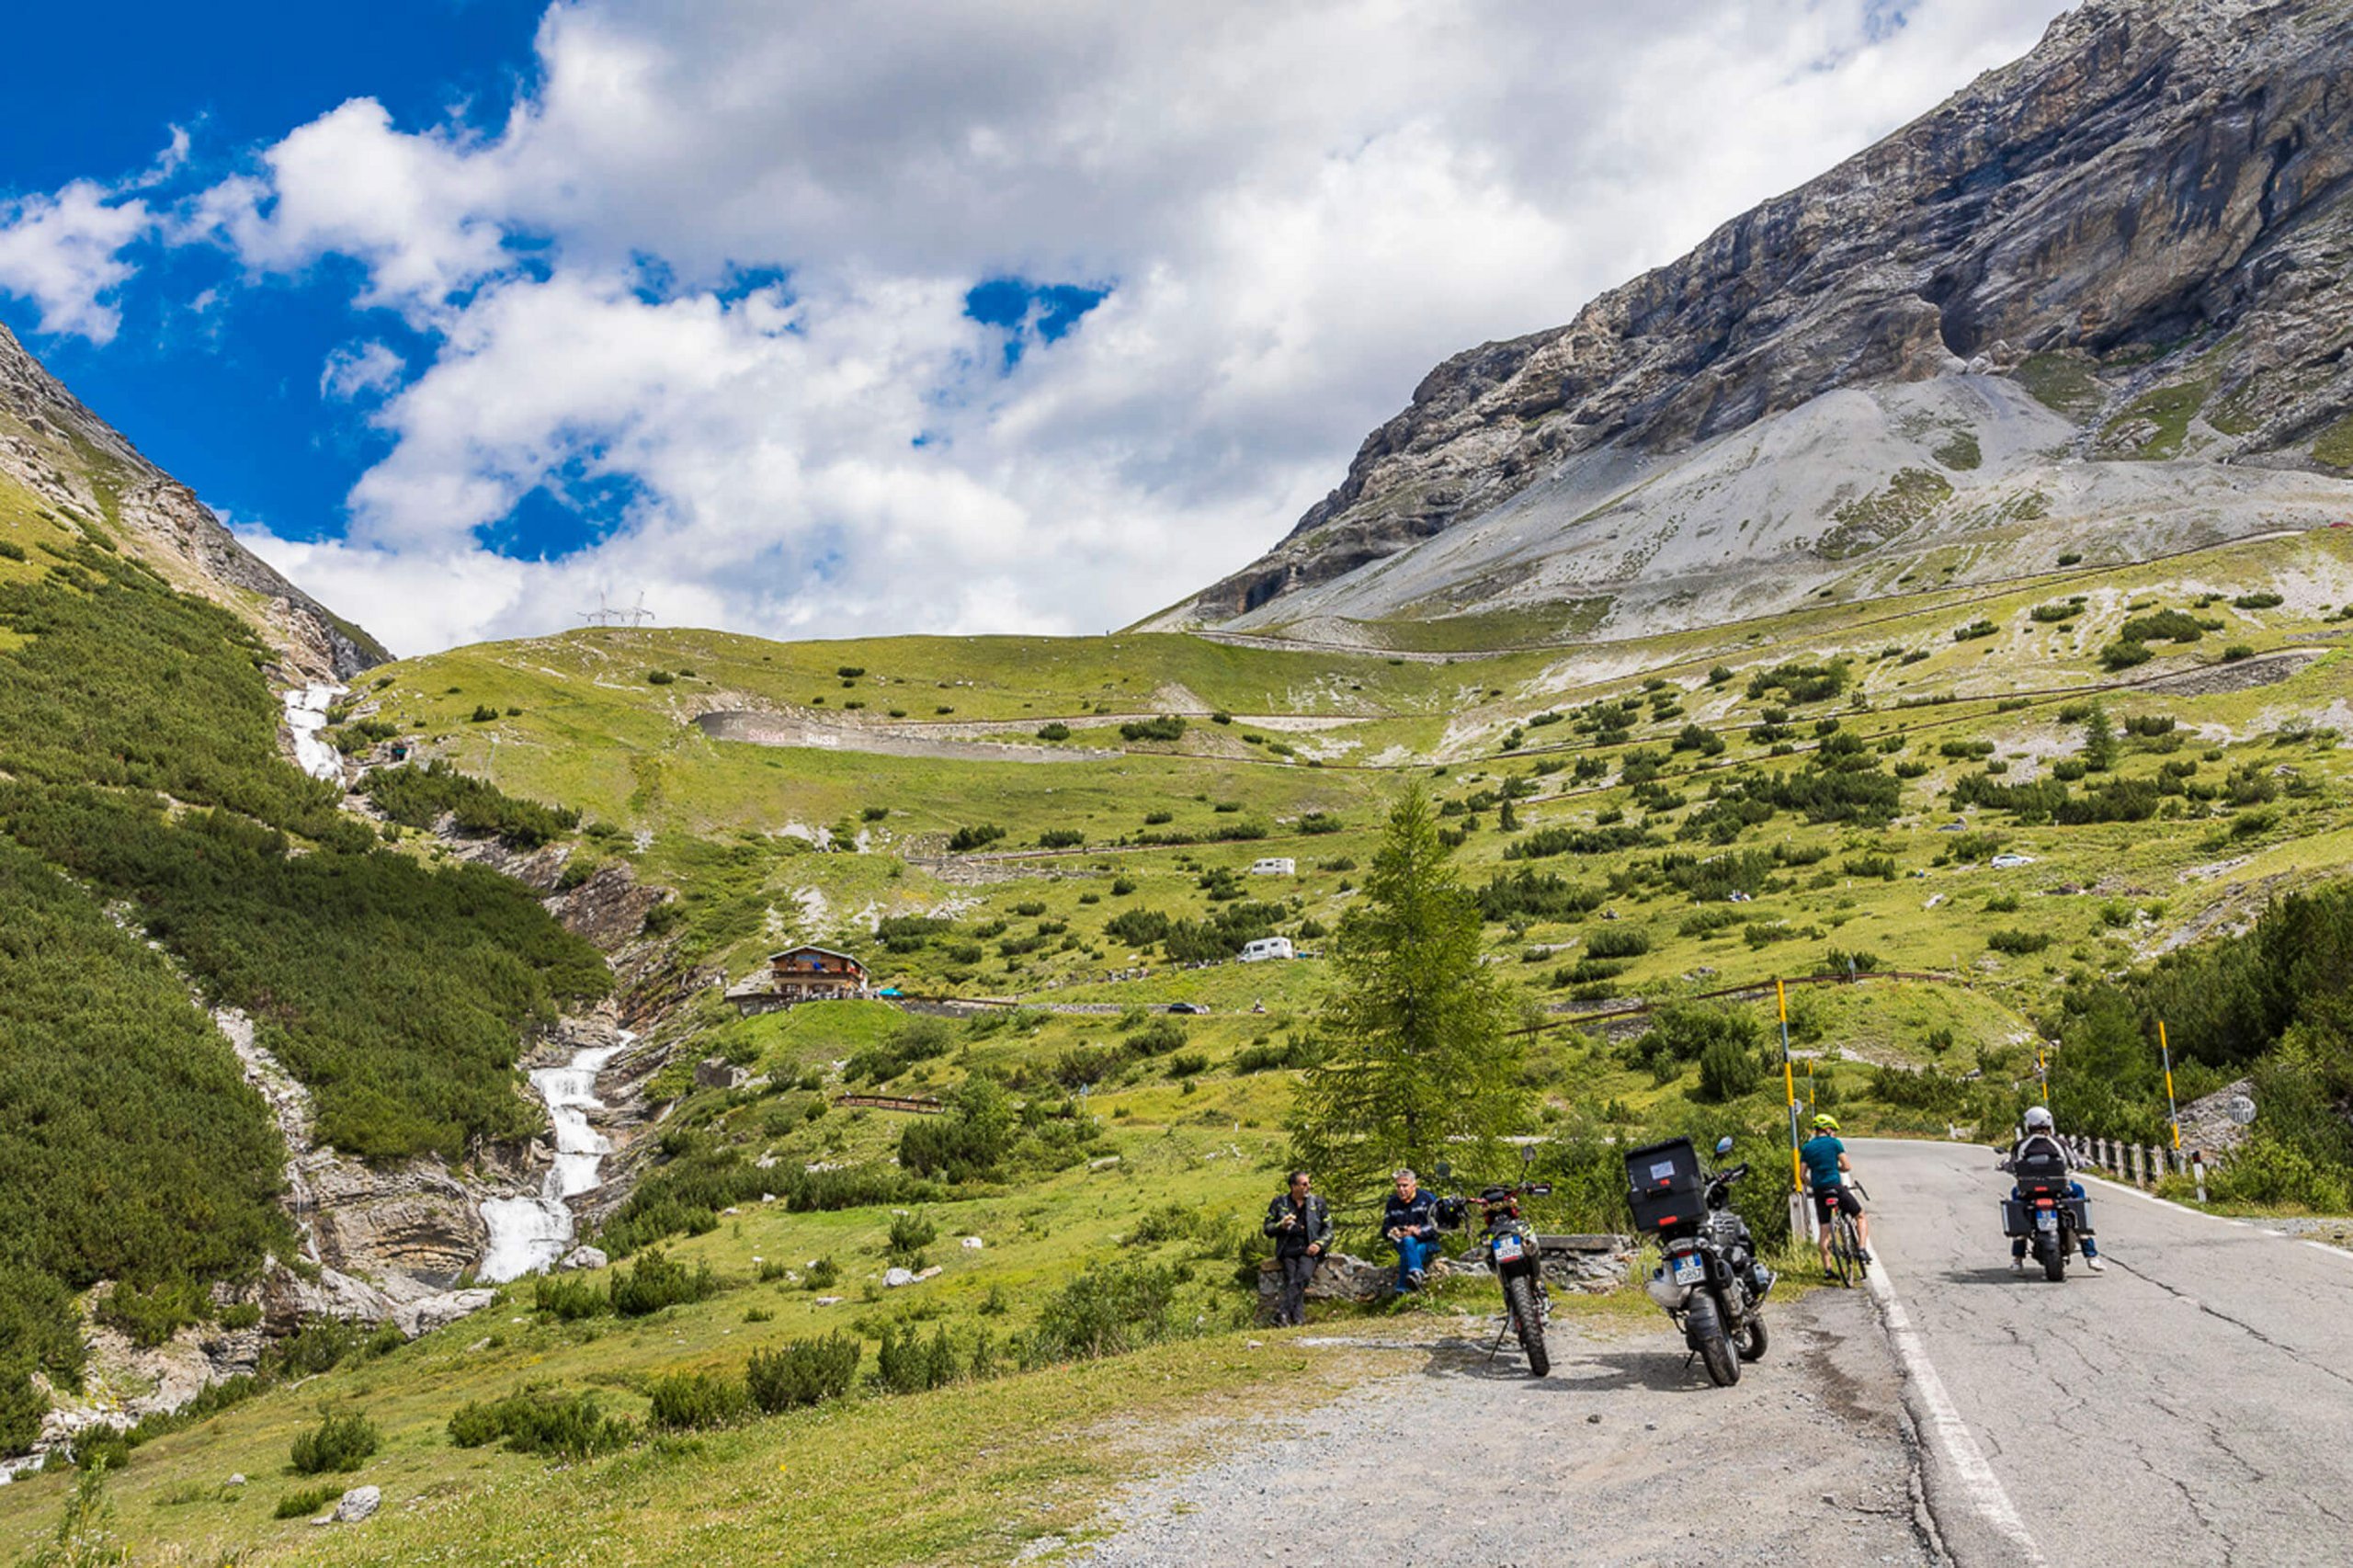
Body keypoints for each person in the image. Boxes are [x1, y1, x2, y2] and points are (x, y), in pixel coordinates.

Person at [1999, 1106, 2103, 1272]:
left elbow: (2012, 1166)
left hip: (2029, 1192)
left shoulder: (2021, 1145)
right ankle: (2091, 1255)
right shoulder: (2059, 1143)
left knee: (2016, 1203)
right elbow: (2074, 1162)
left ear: (2028, 1124)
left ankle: (2017, 1259)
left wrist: (2002, 1165)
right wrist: (2086, 1163)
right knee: (2079, 1195)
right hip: (2060, 1190)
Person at [1800, 1114, 1872, 1278]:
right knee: (1860, 1215)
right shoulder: (1834, 1143)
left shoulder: (1807, 1148)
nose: (1834, 1133)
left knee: (1824, 1230)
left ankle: (1828, 1269)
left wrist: (1814, 1185)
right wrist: (1835, 1168)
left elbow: (1802, 1176)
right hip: (1835, 1187)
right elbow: (1847, 1166)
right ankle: (1861, 1249)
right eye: (1832, 1129)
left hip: (1819, 1191)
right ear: (1827, 1129)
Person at [1261, 1170, 1333, 1326]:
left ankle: (1282, 1313)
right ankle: (1298, 1320)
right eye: (1304, 1184)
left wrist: (1319, 1244)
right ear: (1293, 1187)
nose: (1309, 1186)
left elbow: (1329, 1229)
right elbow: (1267, 1228)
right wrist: (1281, 1225)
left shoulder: (1318, 1203)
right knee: (1292, 1279)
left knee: (1304, 1275)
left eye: (1309, 1183)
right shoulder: (1279, 1203)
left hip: (1309, 1249)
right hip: (1288, 1250)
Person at [1382, 1167, 1441, 1293]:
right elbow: (1385, 1228)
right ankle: (1416, 1274)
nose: (1401, 1189)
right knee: (1408, 1242)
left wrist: (1418, 1232)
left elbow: (1438, 1225)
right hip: (1402, 1242)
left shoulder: (1427, 1199)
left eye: (1405, 1186)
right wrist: (1392, 1232)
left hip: (1427, 1243)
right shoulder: (1392, 1203)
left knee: (1409, 1250)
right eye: (1398, 1186)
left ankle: (1403, 1287)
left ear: (1414, 1185)